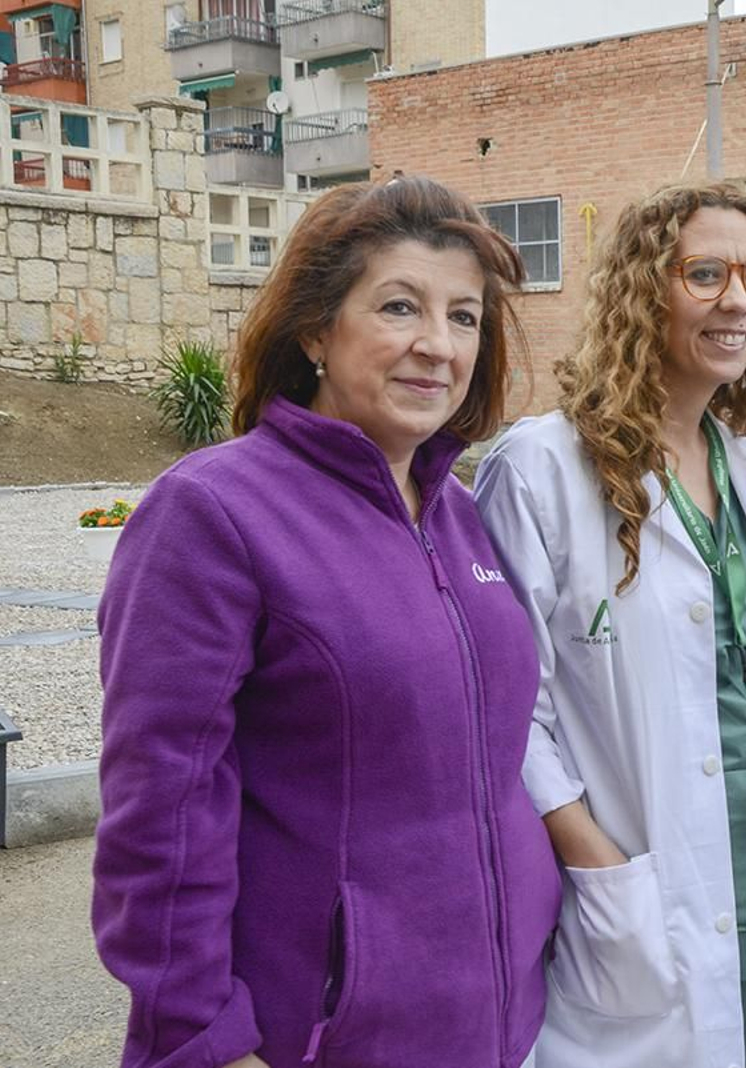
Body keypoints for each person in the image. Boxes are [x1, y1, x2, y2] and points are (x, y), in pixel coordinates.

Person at [92, 176, 562, 1068]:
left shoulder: (454, 507)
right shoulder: (212, 512)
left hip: (495, 1023)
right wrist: (202, 1040)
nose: (438, 345)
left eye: (465, 318)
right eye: (399, 307)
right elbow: (162, 808)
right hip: (313, 1034)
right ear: (316, 329)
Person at [474, 183, 746, 1068]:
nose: (741, 300)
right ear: (644, 290)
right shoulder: (541, 469)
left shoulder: (742, 460)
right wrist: (599, 863)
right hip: (650, 888)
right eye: (706, 273)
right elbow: (509, 709)